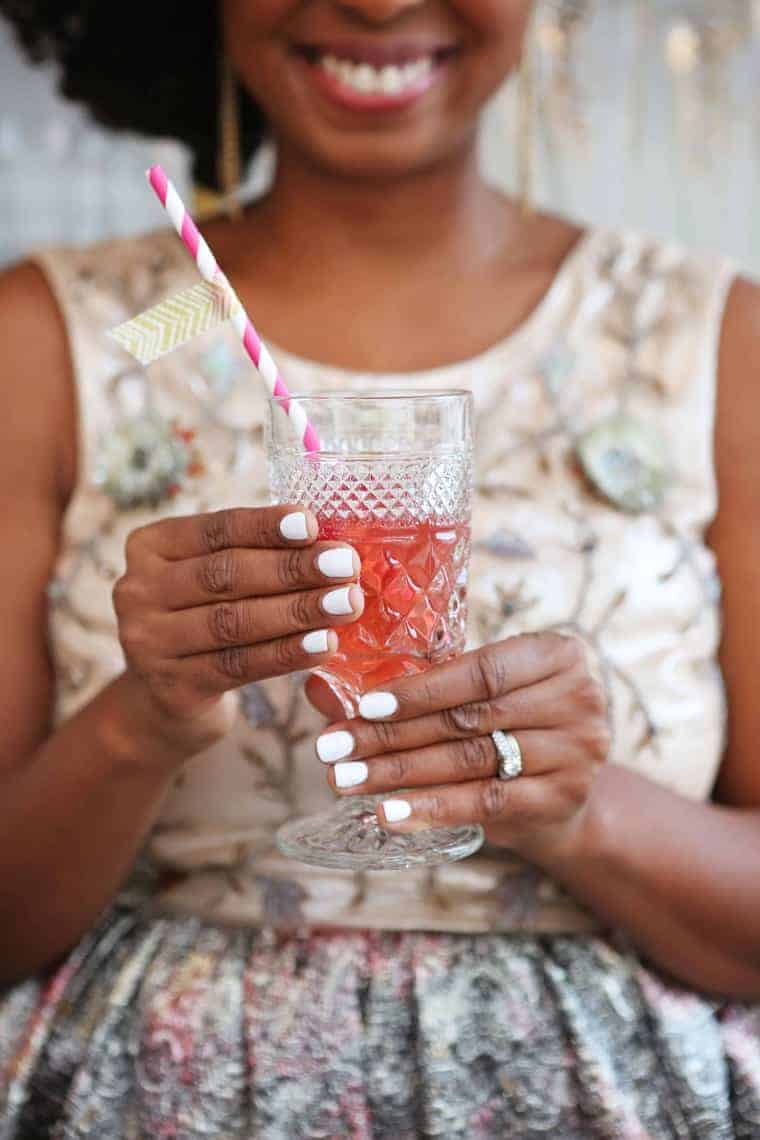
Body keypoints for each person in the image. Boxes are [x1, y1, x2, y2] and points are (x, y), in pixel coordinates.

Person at [1, 1, 759, 1136]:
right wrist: (138, 720)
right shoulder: (99, 329)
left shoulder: (713, 338)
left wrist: (569, 806)